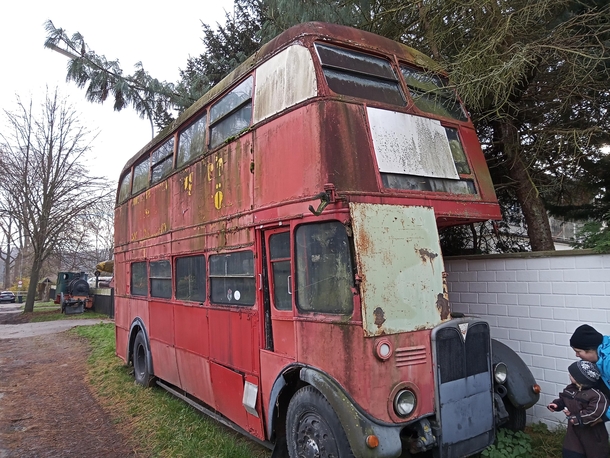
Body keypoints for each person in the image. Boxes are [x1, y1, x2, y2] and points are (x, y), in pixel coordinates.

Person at [547, 360, 609, 458]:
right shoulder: (571, 389)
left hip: (592, 432)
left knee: (596, 453)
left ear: (580, 379)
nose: (569, 375)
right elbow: (564, 398)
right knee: (571, 452)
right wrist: (557, 404)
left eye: (572, 375)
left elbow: (594, 411)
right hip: (574, 431)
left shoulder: (596, 395)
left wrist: (578, 418)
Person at [569, 324, 610, 397]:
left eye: (578, 351)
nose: (577, 355)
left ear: (590, 350)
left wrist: (597, 409)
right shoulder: (597, 360)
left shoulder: (608, 362)